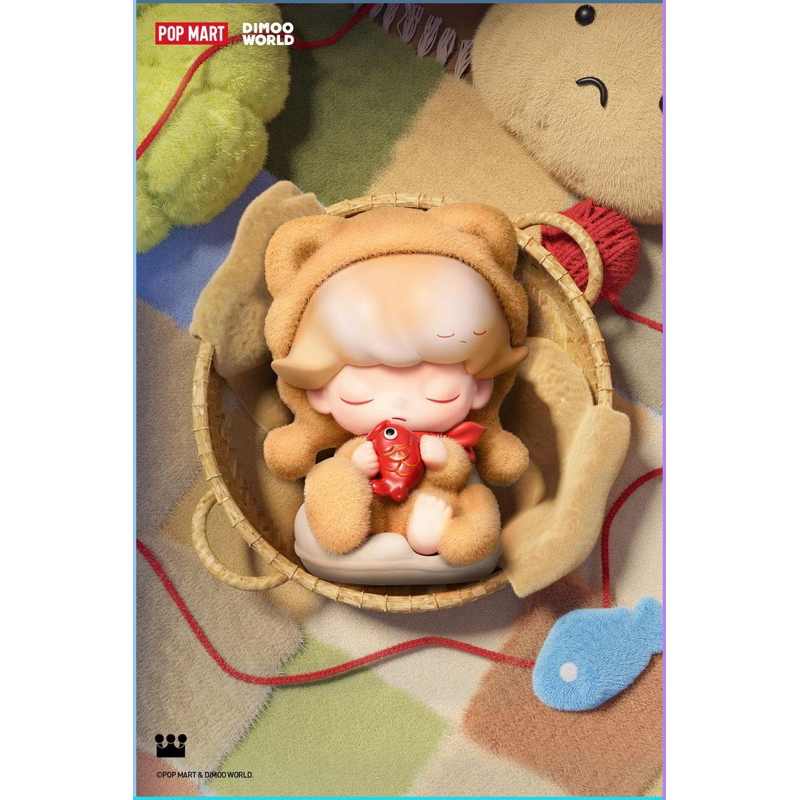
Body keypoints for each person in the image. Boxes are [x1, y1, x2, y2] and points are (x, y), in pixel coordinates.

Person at [263, 202, 530, 569]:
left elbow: (457, 470)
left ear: (481, 386)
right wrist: (357, 465)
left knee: (474, 500)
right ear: (319, 392)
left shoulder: (447, 441)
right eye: (365, 390)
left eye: (437, 388)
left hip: (435, 503)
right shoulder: (358, 446)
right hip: (368, 504)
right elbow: (340, 460)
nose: (400, 402)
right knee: (330, 474)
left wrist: (440, 459)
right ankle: (341, 530)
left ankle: (441, 538)